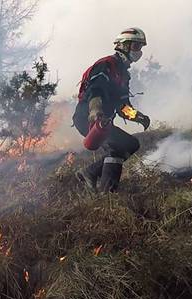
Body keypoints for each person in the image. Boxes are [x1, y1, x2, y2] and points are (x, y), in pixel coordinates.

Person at [73, 27, 151, 192]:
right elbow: (95, 90)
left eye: (140, 48)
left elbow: (123, 106)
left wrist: (138, 116)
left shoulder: (124, 74)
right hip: (87, 117)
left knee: (131, 144)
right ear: (123, 46)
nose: (139, 52)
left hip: (104, 121)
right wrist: (95, 111)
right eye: (136, 47)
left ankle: (90, 172)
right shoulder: (106, 65)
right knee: (116, 148)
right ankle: (108, 195)